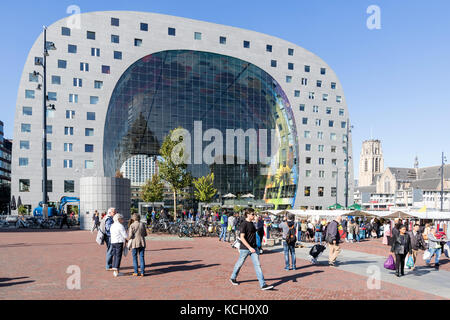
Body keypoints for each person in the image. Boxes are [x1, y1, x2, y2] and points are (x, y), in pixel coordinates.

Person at [229, 208, 274, 290]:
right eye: (253, 214)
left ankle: (263, 284)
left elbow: (257, 232)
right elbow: (242, 237)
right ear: (248, 215)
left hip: (254, 248)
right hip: (245, 248)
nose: (254, 216)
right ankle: (233, 277)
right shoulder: (244, 224)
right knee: (240, 263)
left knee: (258, 265)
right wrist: (249, 247)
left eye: (254, 214)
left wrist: (256, 246)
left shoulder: (252, 223)